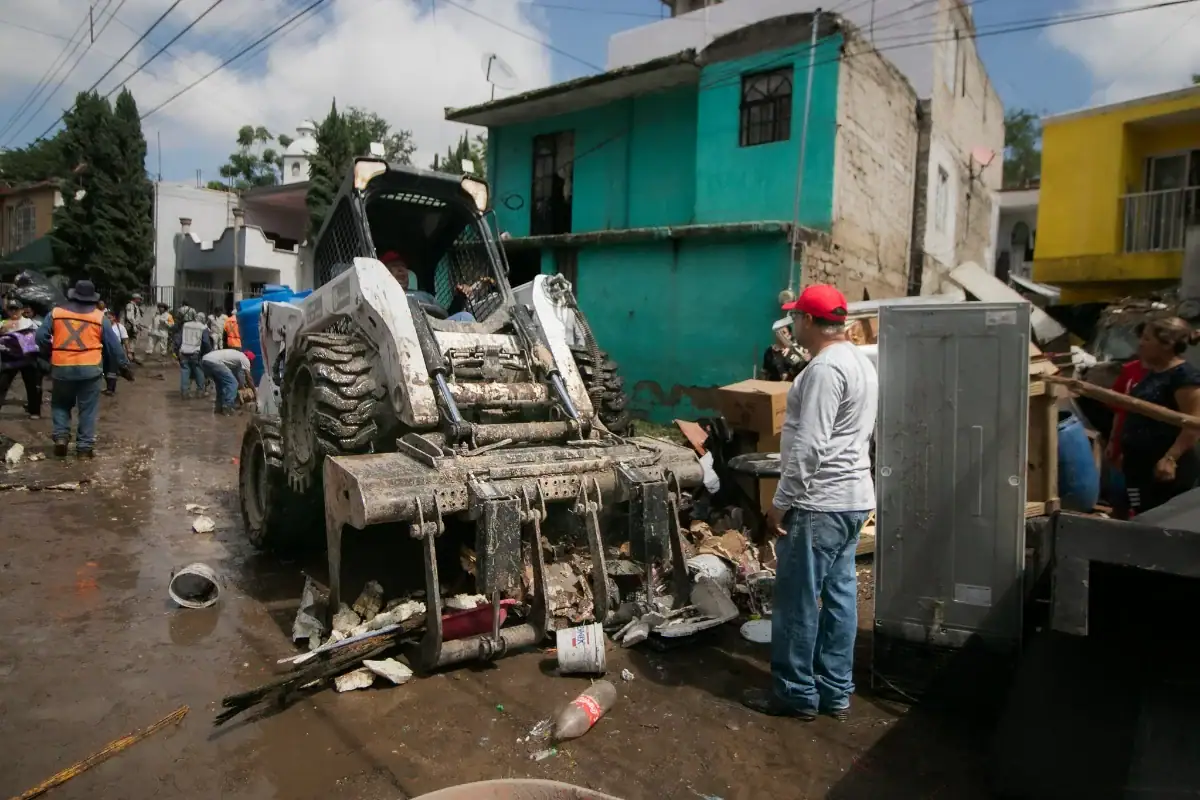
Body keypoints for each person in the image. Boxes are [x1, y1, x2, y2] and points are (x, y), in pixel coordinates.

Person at [743, 284, 878, 722]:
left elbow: (810, 448)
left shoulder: (824, 370)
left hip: (820, 503)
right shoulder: (860, 361)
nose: (792, 324)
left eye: (795, 316)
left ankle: (796, 694)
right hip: (854, 498)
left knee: (797, 600)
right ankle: (836, 691)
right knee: (840, 596)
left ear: (807, 321)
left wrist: (780, 504)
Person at [35, 279, 132, 457]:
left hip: (62, 367)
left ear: (73, 296)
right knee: (87, 409)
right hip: (90, 369)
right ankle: (84, 448)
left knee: (60, 404)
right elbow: (113, 346)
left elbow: (40, 336)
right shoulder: (99, 318)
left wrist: (52, 351)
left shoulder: (56, 313)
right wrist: (124, 366)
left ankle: (62, 437)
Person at [1118, 317, 1200, 517]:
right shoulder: (1152, 373)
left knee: (1164, 520)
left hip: (1165, 470)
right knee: (1140, 514)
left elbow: (1194, 422)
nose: (1141, 343)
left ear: (1167, 344)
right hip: (1140, 466)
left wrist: (1171, 458)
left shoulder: (1183, 376)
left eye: (1147, 339)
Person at [0, 300, 43, 418]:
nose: (13, 312)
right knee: (2, 385)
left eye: (16, 309)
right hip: (10, 360)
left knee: (32, 385)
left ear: (22, 310)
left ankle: (34, 411)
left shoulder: (30, 323)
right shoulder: (3, 323)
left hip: (27, 359)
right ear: (7, 310)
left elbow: (40, 336)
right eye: (11, 309)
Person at [201, 347, 253, 416]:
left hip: (205, 360)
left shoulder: (235, 358)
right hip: (215, 361)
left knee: (220, 385)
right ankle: (227, 407)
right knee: (233, 383)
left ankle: (219, 408)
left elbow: (238, 377)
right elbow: (248, 378)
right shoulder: (245, 359)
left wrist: (242, 386)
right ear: (249, 359)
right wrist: (254, 391)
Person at [174, 309, 212, 399]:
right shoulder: (203, 328)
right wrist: (207, 353)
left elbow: (178, 339)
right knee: (199, 371)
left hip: (183, 352)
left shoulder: (185, 325)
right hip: (196, 353)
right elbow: (206, 342)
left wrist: (176, 351)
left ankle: (184, 392)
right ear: (203, 319)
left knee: (185, 372)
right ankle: (200, 391)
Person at [102, 310, 128, 395]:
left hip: (115, 352)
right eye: (107, 318)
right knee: (106, 371)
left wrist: (128, 352)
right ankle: (109, 387)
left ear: (114, 318)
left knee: (112, 371)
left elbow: (125, 340)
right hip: (105, 351)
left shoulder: (120, 327)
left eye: (110, 318)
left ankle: (111, 389)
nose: (108, 319)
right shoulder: (104, 327)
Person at [122, 293, 145, 364]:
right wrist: (135, 325)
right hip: (130, 326)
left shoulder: (135, 306)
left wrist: (139, 325)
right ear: (135, 299)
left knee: (133, 341)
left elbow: (136, 317)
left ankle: (131, 356)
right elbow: (129, 317)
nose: (140, 300)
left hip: (134, 326)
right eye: (139, 299)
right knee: (128, 341)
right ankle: (127, 357)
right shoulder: (130, 305)